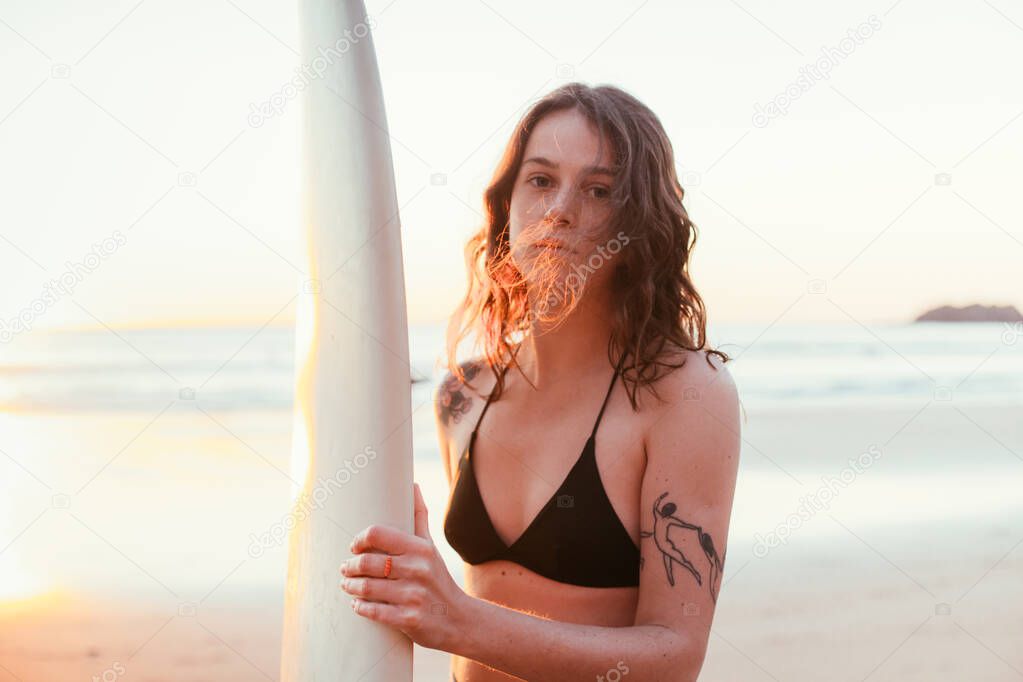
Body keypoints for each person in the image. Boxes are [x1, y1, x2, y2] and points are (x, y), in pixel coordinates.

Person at [341, 82, 741, 681]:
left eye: (600, 189)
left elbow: (675, 655)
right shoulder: (462, 395)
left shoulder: (683, 392)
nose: (560, 209)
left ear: (639, 222)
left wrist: (457, 620)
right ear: (507, 204)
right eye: (541, 180)